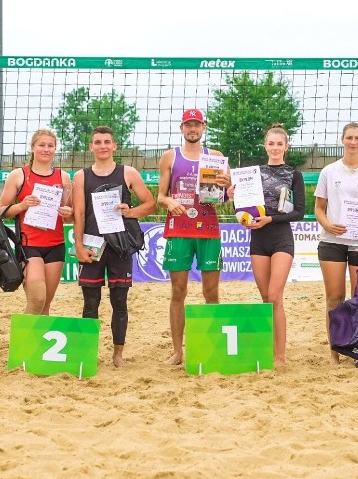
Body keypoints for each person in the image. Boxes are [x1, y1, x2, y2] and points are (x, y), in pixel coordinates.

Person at [72, 126, 156, 367]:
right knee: (90, 303)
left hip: (120, 247)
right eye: (97, 142)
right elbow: (78, 213)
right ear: (91, 147)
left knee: (119, 302)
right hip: (92, 246)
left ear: (114, 146)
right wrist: (78, 245)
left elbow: (150, 205)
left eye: (107, 141)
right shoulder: (81, 176)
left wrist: (130, 212)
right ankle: (87, 353)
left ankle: (118, 355)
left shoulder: (127, 173)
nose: (102, 146)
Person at [157, 109, 231, 365]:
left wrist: (227, 185)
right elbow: (160, 196)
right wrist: (169, 202)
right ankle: (178, 352)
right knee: (179, 291)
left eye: (196, 124)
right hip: (179, 229)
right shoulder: (170, 156)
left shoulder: (216, 157)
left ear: (204, 127)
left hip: (209, 229)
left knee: (211, 292)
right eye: (188, 124)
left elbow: (226, 197)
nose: (192, 128)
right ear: (182, 128)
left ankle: (214, 345)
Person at [232, 123, 305, 367]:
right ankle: (269, 350)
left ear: (286, 146)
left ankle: (280, 357)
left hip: (281, 236)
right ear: (265, 146)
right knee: (266, 299)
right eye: (271, 143)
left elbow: (300, 212)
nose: (275, 148)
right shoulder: (253, 173)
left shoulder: (294, 174)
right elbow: (241, 209)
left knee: (275, 296)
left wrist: (271, 218)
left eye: (279, 144)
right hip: (258, 238)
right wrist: (234, 198)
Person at [314, 122, 358, 364]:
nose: (353, 142)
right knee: (334, 298)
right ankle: (334, 354)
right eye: (349, 138)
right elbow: (319, 208)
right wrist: (327, 224)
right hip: (332, 241)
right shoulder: (329, 171)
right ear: (342, 140)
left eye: (357, 138)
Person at [0, 129, 73, 315]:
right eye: (41, 145)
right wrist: (22, 205)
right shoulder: (19, 175)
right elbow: (0, 212)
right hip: (29, 244)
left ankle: (38, 343)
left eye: (50, 146)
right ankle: (23, 343)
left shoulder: (64, 177)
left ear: (55, 149)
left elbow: (70, 216)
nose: (46, 149)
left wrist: (67, 212)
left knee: (45, 305)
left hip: (56, 245)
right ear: (32, 148)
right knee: (37, 299)